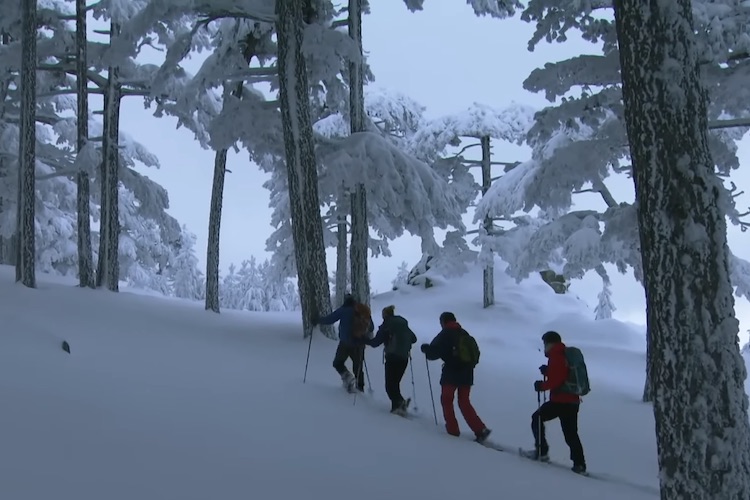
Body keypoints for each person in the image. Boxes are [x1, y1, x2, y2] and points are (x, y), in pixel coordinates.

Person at [521, 330, 587, 474]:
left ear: (550, 343)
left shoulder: (556, 356)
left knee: (537, 418)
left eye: (545, 343)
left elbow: (557, 380)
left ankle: (541, 451)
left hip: (560, 400)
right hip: (573, 401)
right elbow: (561, 374)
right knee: (571, 433)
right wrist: (547, 371)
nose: (544, 346)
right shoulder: (564, 354)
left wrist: (541, 386)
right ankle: (579, 464)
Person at [420, 312, 491, 442]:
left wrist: (426, 349)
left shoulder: (445, 334)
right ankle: (480, 429)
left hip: (451, 372)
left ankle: (453, 430)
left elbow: (433, 353)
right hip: (467, 372)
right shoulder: (464, 333)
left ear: (443, 322)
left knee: (447, 400)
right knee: (464, 401)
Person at [313, 294, 374, 393]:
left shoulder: (343, 310)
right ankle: (360, 389)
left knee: (337, 363)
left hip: (345, 343)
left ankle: (348, 377)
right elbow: (371, 327)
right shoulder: (362, 311)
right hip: (359, 344)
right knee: (358, 368)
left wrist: (317, 320)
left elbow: (330, 319)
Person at [366, 305, 417, 415]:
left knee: (390, 385)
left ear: (385, 315)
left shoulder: (386, 326)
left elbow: (375, 343)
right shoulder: (403, 325)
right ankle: (399, 405)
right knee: (395, 383)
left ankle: (398, 405)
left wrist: (364, 340)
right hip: (404, 358)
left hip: (392, 358)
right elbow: (414, 339)